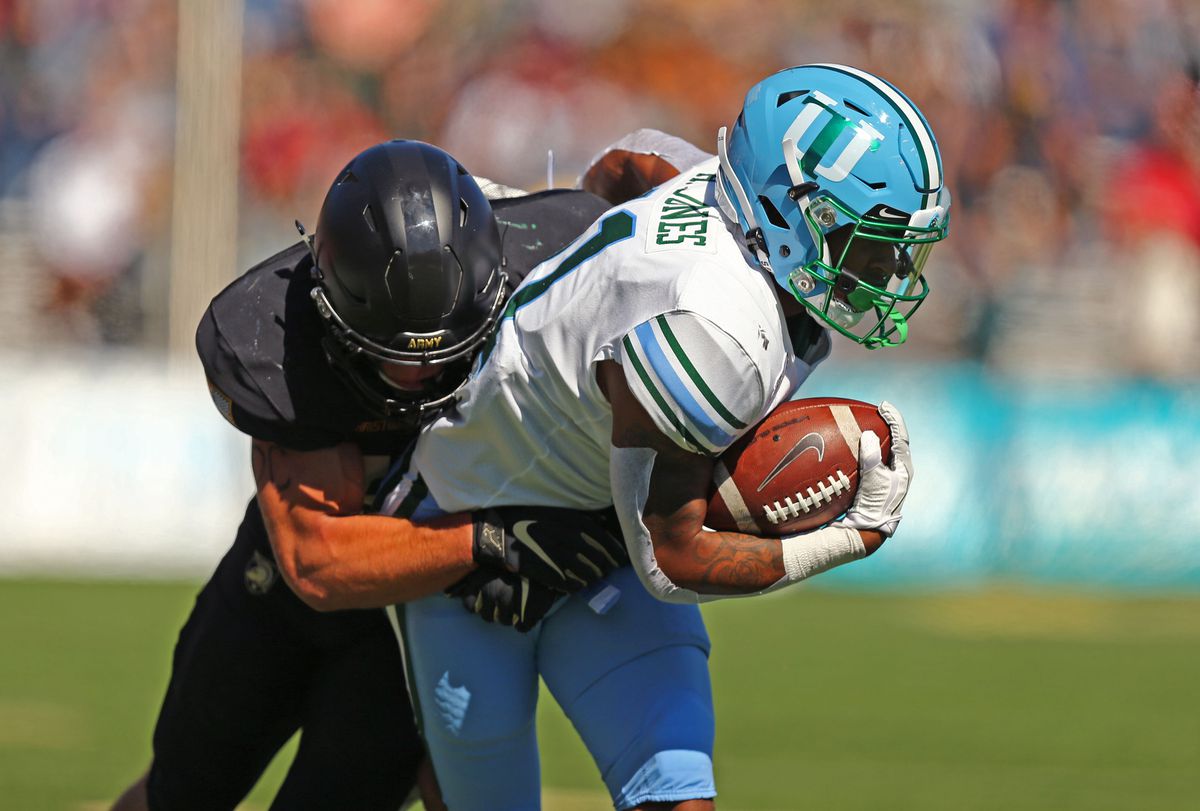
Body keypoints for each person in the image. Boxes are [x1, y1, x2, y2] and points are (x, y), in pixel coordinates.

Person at [289, 63, 950, 811]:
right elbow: (671, 558)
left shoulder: (712, 186)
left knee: (678, 798)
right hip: (470, 520)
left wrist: (588, 270)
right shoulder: (714, 332)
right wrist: (852, 537)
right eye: (875, 242)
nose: (892, 270)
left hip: (600, 532)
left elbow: (628, 160)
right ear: (795, 216)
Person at [110, 139, 627, 811]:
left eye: (447, 354)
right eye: (391, 354)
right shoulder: (277, 345)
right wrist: (492, 541)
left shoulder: (560, 261)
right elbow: (317, 561)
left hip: (410, 630)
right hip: (284, 603)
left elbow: (636, 194)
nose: (419, 375)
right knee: (176, 793)